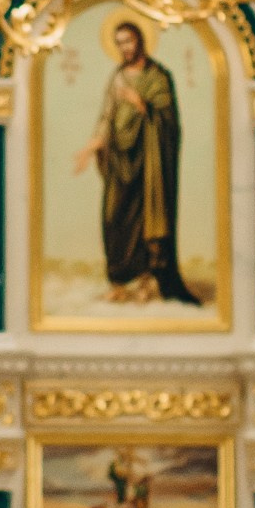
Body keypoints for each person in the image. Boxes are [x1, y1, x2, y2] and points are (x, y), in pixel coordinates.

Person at [83, 19, 199, 307]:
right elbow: (107, 115)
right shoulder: (117, 76)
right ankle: (118, 282)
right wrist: (95, 143)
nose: (124, 48)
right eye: (119, 43)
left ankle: (147, 280)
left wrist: (140, 104)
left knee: (146, 218)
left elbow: (168, 120)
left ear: (140, 41)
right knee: (113, 217)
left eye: (129, 41)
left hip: (149, 162)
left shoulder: (158, 77)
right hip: (119, 159)